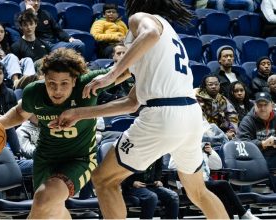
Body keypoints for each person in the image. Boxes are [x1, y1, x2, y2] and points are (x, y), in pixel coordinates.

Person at [54, 0, 229, 218]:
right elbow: (131, 103)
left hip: (162, 115)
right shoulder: (166, 40)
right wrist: (79, 114)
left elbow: (150, 33)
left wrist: (111, 74)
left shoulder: (141, 19)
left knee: (104, 180)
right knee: (198, 192)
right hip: (190, 115)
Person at [0, 48, 130, 218]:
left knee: (44, 198)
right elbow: (20, 113)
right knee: (50, 206)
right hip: (45, 158)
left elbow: (128, 69)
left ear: (74, 80)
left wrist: (110, 76)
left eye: (64, 83)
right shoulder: (34, 91)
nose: (57, 90)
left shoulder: (88, 84)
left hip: (79, 159)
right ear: (44, 79)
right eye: (51, 83)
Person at [0, 21, 35, 87]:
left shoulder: (5, 47)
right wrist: (8, 60)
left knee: (27, 60)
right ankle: (15, 81)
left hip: (7, 71)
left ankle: (29, 82)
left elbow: (13, 63)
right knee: (11, 56)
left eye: (2, 32)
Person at [237, 92, 276, 169]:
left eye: (266, 104)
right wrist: (263, 143)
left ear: (271, 105)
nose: (263, 108)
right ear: (254, 106)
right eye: (259, 105)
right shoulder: (247, 121)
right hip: (257, 156)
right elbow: (242, 143)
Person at [195, 75, 239, 140]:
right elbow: (200, 120)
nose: (214, 86)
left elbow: (232, 115)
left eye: (216, 84)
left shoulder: (222, 99)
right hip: (205, 133)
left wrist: (231, 130)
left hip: (224, 131)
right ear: (205, 86)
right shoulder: (197, 99)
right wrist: (221, 135)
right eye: (210, 84)